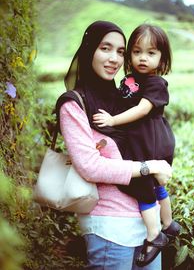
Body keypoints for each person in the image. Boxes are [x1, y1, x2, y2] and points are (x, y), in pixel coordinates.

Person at [55, 20, 173, 270]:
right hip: (110, 228)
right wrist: (148, 167)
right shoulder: (74, 104)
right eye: (105, 48)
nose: (114, 58)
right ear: (89, 50)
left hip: (146, 226)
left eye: (120, 51)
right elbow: (90, 166)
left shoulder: (123, 98)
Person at [93, 23, 181, 266]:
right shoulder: (130, 79)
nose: (143, 58)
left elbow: (141, 109)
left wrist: (112, 120)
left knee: (141, 183)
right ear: (130, 53)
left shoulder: (156, 83)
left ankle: (154, 235)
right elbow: (120, 101)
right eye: (137, 51)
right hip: (139, 137)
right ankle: (168, 221)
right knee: (153, 183)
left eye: (151, 53)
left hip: (151, 138)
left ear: (162, 57)